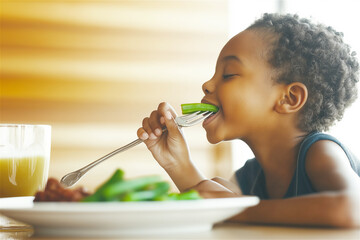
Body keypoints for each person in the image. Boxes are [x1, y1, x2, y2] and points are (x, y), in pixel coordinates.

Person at [137, 13, 360, 228]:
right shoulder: (250, 176)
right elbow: (212, 206)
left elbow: (353, 209)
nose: (207, 84)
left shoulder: (320, 153)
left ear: (289, 98)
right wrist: (177, 164)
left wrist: (236, 209)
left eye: (228, 74)